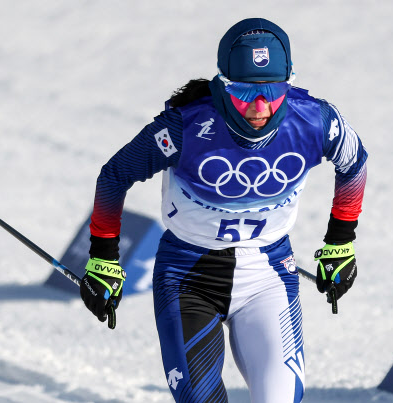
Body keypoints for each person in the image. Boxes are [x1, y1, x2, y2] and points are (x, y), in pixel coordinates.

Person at [79, 17, 367, 403]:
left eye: (274, 90)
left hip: (267, 275)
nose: (260, 106)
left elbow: (355, 164)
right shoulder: (184, 127)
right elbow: (115, 176)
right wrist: (103, 259)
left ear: (290, 83)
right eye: (245, 92)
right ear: (223, 84)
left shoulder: (315, 120)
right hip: (188, 277)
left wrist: (340, 244)